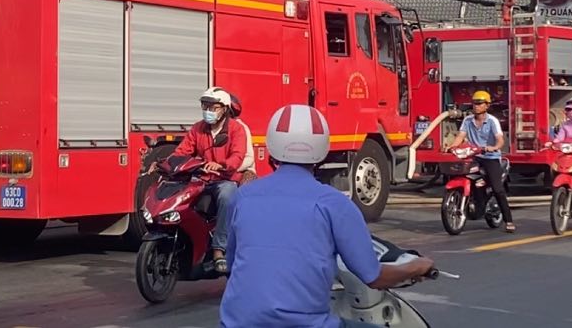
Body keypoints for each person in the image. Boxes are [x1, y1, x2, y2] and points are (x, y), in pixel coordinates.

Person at [220, 104, 434, 328]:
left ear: (272, 146)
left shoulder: (243, 197)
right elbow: (374, 277)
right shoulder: (334, 204)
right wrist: (418, 267)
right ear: (321, 150)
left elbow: (234, 264)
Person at [170, 87, 247, 273]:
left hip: (224, 179)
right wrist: (165, 164)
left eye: (214, 107)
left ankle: (218, 249)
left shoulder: (237, 129)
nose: (209, 111)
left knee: (227, 196)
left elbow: (237, 156)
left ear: (225, 109)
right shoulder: (198, 128)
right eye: (205, 106)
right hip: (201, 179)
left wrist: (220, 164)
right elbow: (182, 151)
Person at [446, 90, 515, 232]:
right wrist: (452, 146)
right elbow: (460, 136)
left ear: (487, 105)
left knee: (497, 189)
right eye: (474, 103)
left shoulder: (492, 121)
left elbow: (500, 140)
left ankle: (508, 220)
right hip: (474, 156)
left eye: (479, 103)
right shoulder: (467, 120)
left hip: (490, 157)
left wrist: (493, 147)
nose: (476, 106)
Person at [226, 92, 258, 184]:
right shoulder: (209, 128)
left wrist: (227, 169)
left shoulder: (241, 128)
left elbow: (249, 159)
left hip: (242, 171)